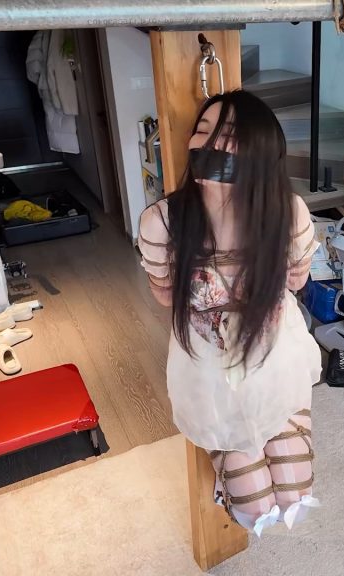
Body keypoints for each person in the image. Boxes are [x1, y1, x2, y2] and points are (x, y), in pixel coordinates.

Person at [138, 91, 322, 535]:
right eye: (203, 132)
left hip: (274, 357)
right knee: (255, 508)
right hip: (209, 369)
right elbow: (165, 295)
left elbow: (297, 280)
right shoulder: (162, 222)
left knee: (295, 496)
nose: (211, 144)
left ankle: (273, 432)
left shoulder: (289, 213)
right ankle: (228, 477)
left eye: (230, 136)